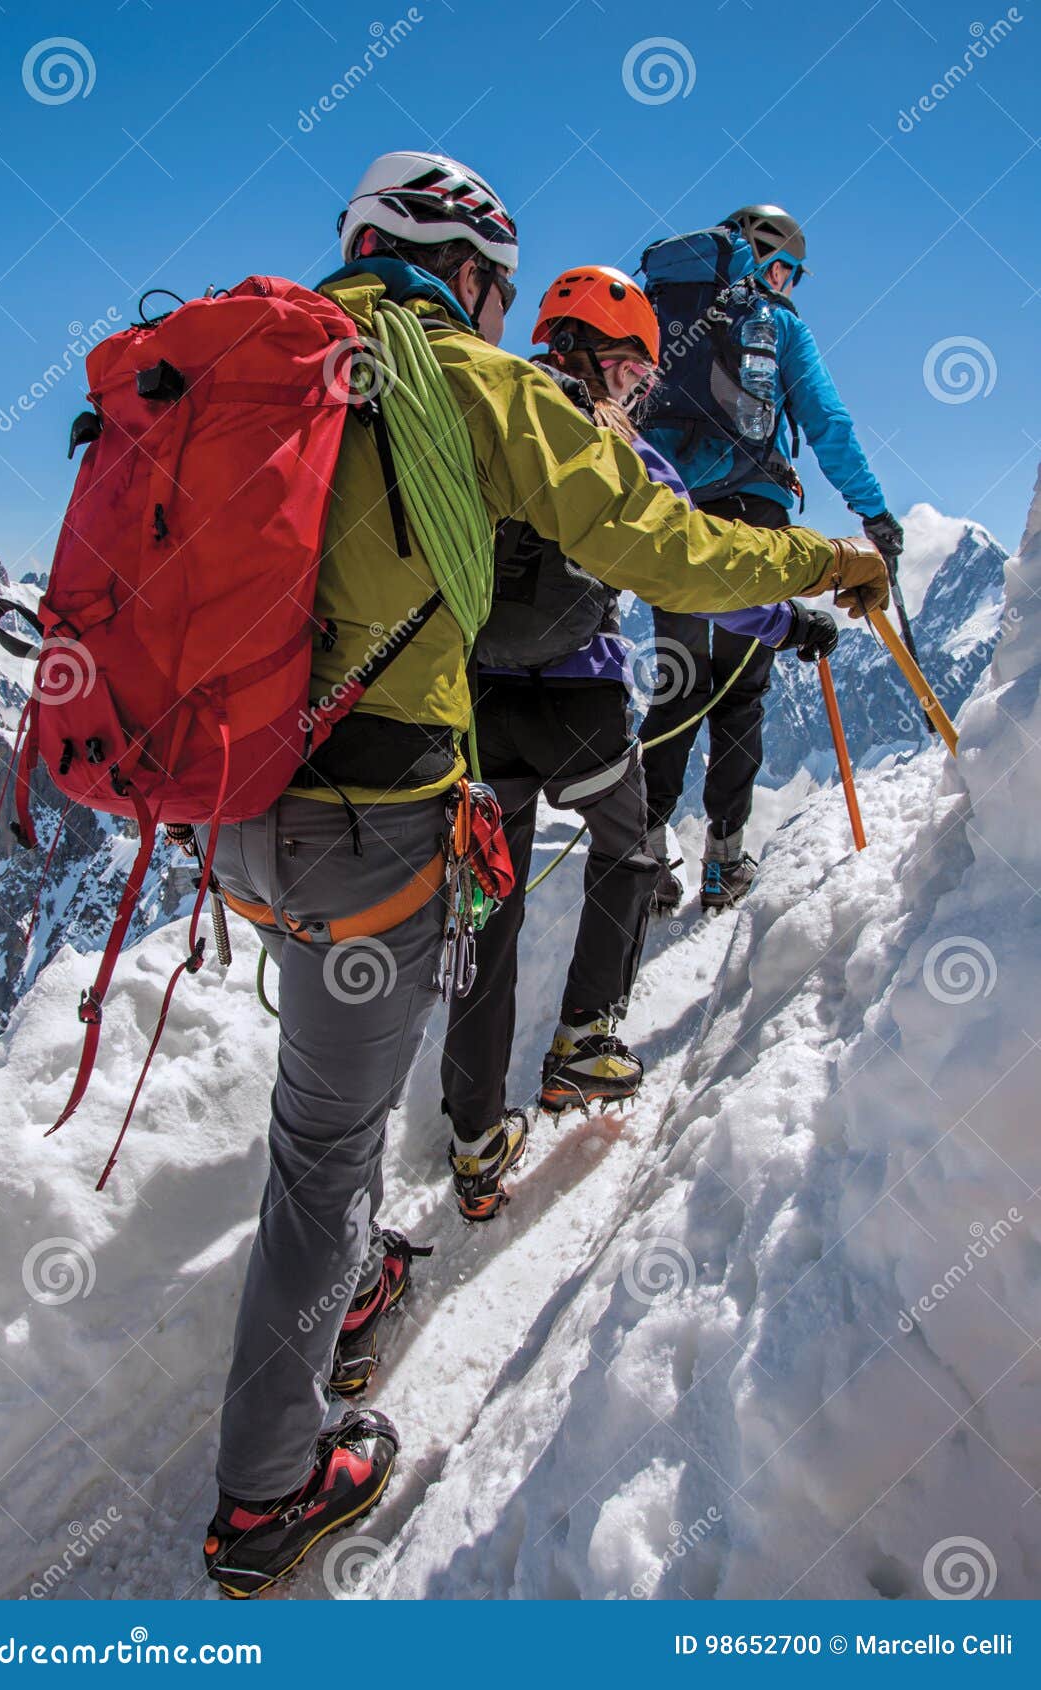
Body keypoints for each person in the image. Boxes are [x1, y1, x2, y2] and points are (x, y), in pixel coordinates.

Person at [197, 154, 888, 1596]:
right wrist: (822, 562)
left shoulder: (266, 359)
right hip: (376, 806)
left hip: (231, 798)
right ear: (456, 266)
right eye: (496, 290)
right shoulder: (467, 379)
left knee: (319, 1112)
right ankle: (266, 1494)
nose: (505, 318)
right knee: (324, 1141)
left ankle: (344, 1274)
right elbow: (660, 540)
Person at [440, 266, 839, 1216]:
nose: (641, 393)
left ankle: (472, 1137)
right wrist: (792, 625)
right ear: (614, 364)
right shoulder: (621, 458)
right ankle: (584, 1038)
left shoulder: (483, 429)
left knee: (486, 916)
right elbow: (700, 578)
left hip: (474, 707)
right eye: (638, 375)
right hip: (579, 703)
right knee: (629, 853)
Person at [640, 204, 903, 913]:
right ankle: (724, 862)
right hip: (753, 518)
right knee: (739, 692)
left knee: (676, 684)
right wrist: (871, 515)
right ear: (771, 260)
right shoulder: (775, 325)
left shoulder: (665, 312)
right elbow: (827, 424)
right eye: (790, 270)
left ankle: (646, 860)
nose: (789, 284)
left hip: (670, 518)